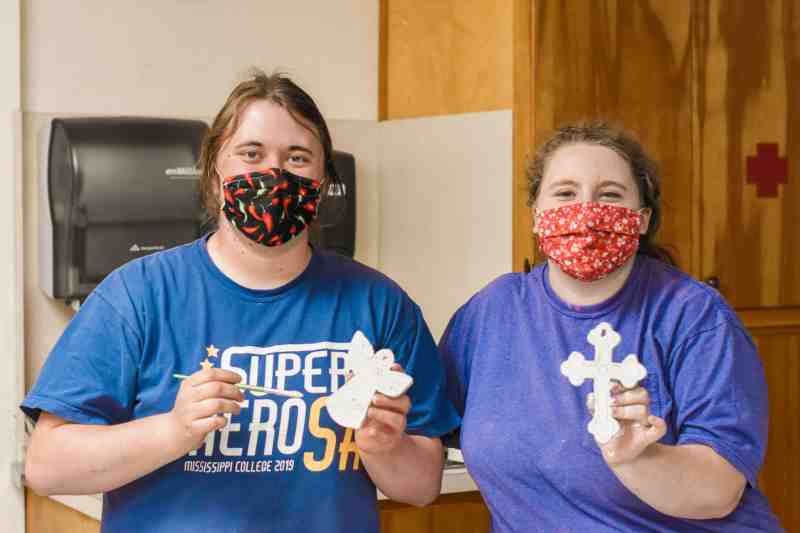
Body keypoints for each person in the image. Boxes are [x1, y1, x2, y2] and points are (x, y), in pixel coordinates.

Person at [22, 69, 459, 533]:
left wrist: (383, 446)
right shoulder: (136, 297)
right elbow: (47, 467)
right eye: (251, 154)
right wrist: (172, 431)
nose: (274, 173)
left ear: (322, 184)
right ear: (215, 176)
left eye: (298, 157)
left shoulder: (380, 305)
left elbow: (422, 486)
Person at [439, 122, 783, 532]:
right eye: (565, 193)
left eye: (610, 195)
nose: (586, 212)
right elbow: (432, 437)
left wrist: (637, 458)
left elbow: (718, 492)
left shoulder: (696, 318)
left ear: (641, 220)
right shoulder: (490, 314)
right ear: (536, 215)